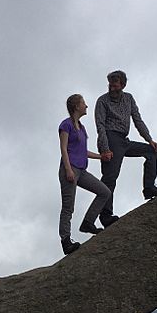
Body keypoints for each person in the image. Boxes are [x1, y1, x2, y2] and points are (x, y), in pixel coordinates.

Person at [95, 69, 157, 227]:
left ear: (123, 85)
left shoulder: (128, 98)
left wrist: (150, 140)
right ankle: (105, 215)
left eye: (115, 84)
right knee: (110, 177)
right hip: (110, 138)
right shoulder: (102, 101)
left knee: (151, 151)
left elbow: (137, 120)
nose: (112, 87)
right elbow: (100, 126)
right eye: (110, 84)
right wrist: (105, 148)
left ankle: (149, 188)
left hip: (124, 140)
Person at [58, 94, 112, 255]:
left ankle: (88, 223)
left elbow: (83, 151)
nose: (86, 106)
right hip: (70, 169)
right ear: (76, 106)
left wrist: (101, 156)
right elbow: (63, 148)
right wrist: (68, 169)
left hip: (82, 170)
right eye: (83, 103)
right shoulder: (65, 125)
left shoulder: (82, 128)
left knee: (104, 192)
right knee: (68, 207)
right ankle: (66, 241)